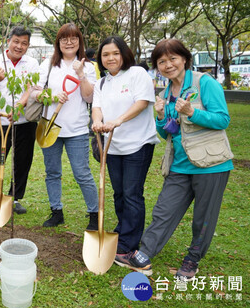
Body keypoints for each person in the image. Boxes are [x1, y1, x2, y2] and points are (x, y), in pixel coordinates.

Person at [117, 39, 233, 281]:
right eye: (161, 61)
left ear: (184, 59)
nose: (168, 65)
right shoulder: (166, 93)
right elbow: (169, 132)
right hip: (179, 163)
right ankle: (144, 253)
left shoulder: (204, 83)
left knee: (204, 216)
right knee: (164, 210)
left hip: (211, 164)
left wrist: (193, 112)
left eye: (172, 59)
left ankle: (192, 259)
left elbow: (222, 120)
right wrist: (160, 116)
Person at [91, 36, 159, 261]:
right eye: (105, 55)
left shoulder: (137, 74)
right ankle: (124, 230)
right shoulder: (102, 82)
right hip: (113, 147)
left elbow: (141, 102)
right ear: (100, 59)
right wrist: (97, 121)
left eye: (115, 53)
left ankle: (129, 244)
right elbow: (97, 107)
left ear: (124, 53)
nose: (111, 58)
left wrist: (118, 120)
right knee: (119, 193)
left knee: (131, 194)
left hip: (137, 144)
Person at [32, 23, 98, 229]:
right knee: (52, 171)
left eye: (73, 38)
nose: (69, 42)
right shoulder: (48, 65)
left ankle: (94, 214)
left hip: (77, 129)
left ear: (80, 41)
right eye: (64, 39)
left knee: (82, 173)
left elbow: (89, 97)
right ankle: (56, 211)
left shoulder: (87, 66)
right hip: (50, 127)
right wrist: (50, 96)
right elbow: (34, 92)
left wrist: (81, 75)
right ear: (58, 43)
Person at [0, 26, 40, 217]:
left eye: (24, 43)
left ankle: (15, 198)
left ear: (28, 45)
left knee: (22, 162)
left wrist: (19, 106)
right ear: (8, 41)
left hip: (25, 122)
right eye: (16, 41)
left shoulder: (32, 63)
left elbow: (31, 89)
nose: (19, 46)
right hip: (0, 122)